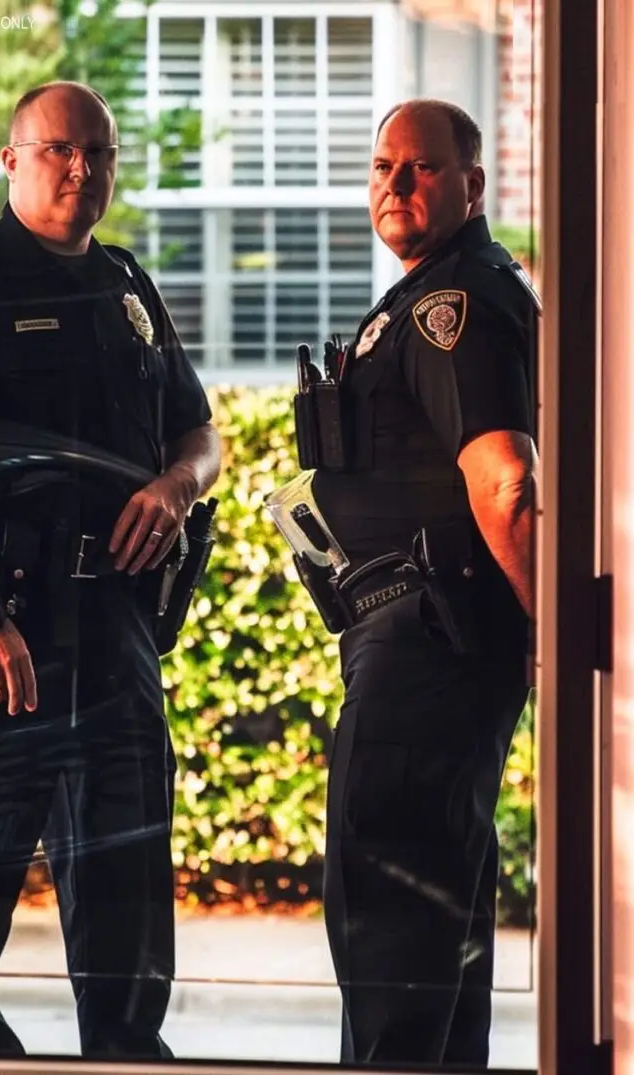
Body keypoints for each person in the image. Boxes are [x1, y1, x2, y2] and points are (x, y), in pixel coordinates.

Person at [0, 81, 221, 1057]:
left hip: (112, 630)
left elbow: (200, 434)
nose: (82, 169)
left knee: (127, 904)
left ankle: (122, 1059)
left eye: (99, 153)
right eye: (61, 150)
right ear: (12, 160)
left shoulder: (125, 284)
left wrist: (175, 489)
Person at [308, 99, 538, 1066]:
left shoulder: (457, 306)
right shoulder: (432, 292)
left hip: (427, 651)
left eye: (422, 168)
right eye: (382, 167)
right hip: (424, 646)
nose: (395, 185)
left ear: (472, 186)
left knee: (390, 927)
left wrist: (554, 637)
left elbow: (507, 480)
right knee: (433, 931)